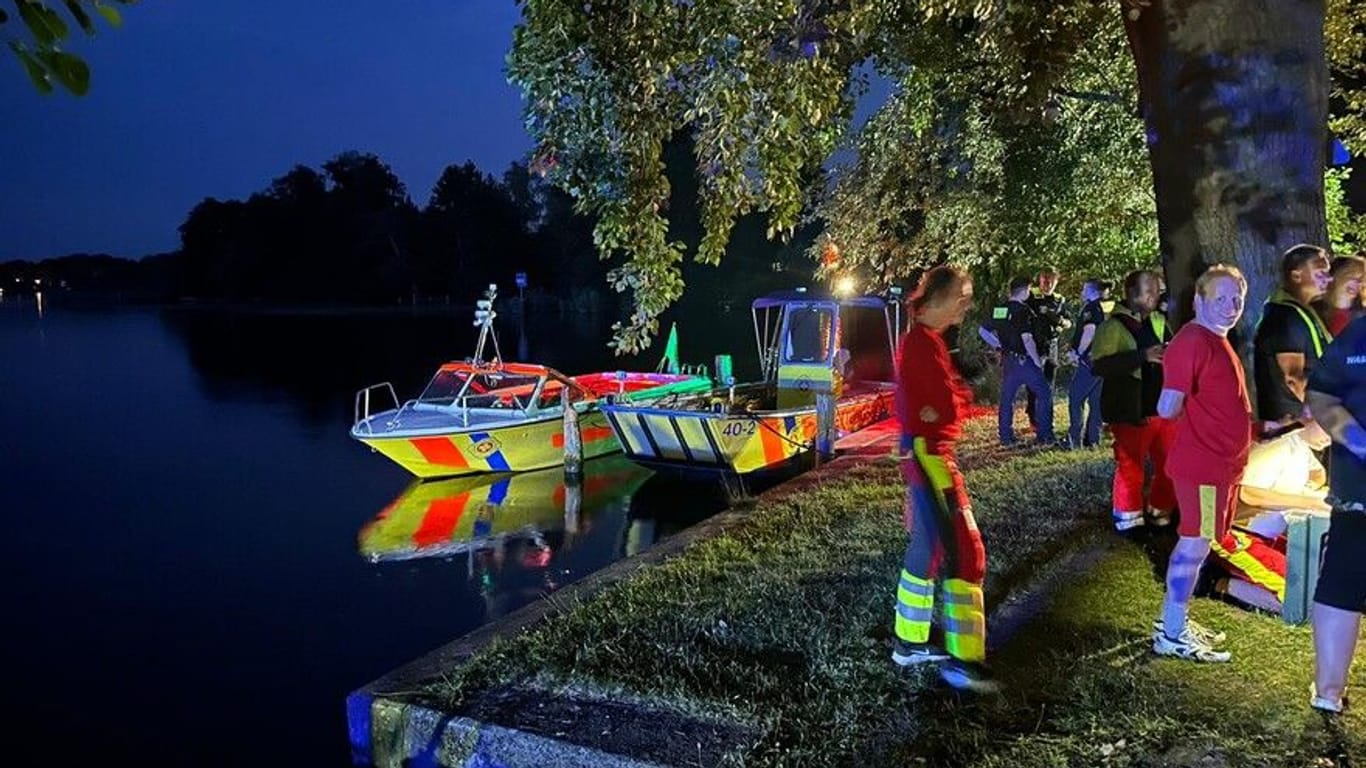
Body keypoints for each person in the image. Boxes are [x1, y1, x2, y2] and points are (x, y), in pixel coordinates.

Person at [891, 265, 996, 693]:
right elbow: (925, 411)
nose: (965, 305)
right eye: (961, 296)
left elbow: (939, 406)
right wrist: (939, 414)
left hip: (931, 456)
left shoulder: (926, 343)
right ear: (936, 298)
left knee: (931, 546)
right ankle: (964, 659)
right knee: (963, 551)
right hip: (931, 457)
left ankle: (909, 642)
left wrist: (947, 407)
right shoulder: (920, 345)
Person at [1152, 264, 1252, 662]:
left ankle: (1173, 621)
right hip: (1205, 469)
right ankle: (1172, 631)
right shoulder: (1193, 341)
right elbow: (1167, 406)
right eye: (1221, 298)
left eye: (1237, 299)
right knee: (1194, 545)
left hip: (1221, 467)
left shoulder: (1215, 339)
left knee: (1201, 541)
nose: (1230, 307)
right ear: (1199, 300)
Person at [1305, 314, 1366, 713]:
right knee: (1343, 579)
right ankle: (1329, 692)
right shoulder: (1360, 334)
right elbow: (1322, 395)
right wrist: (1359, 441)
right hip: (1360, 492)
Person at [1092, 269, 1175, 531]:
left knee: (1170, 463)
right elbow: (1100, 366)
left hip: (1163, 407)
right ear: (1131, 293)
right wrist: (1141, 356)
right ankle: (1128, 518)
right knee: (1131, 466)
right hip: (1131, 409)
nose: (1154, 296)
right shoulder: (1112, 327)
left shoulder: (1160, 321)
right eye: (1149, 290)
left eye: (1157, 290)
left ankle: (1161, 508)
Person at [1254, 244, 1334, 441]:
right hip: (1294, 428)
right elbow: (1294, 378)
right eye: (1320, 272)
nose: (1328, 277)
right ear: (1296, 275)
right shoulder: (1285, 317)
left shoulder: (1298, 311)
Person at [980, 276, 1055, 446]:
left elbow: (983, 330)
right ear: (1025, 291)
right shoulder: (1024, 311)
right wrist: (1037, 361)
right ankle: (1045, 435)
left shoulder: (1001, 310)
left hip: (1009, 361)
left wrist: (998, 345)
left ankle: (1006, 436)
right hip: (1025, 361)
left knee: (1007, 399)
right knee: (1044, 393)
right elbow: (1027, 339)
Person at [1066, 278, 1109, 449]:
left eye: (1084, 289)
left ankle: (1074, 439)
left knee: (1075, 397)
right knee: (1095, 400)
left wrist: (1078, 352)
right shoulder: (1106, 307)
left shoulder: (1091, 308)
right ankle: (1093, 439)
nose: (1082, 292)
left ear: (1091, 291)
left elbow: (1089, 331)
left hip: (1090, 360)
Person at [1026, 266, 1069, 433]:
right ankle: (1033, 414)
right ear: (1040, 279)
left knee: (1048, 382)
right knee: (1033, 382)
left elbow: (1068, 321)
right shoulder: (1031, 295)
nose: (1048, 283)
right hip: (1033, 345)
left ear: (1056, 281)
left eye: (1051, 280)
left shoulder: (1059, 300)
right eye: (1045, 279)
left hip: (1051, 344)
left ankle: (1045, 418)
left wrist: (1060, 321)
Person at [1315, 255, 1366, 337]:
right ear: (1333, 276)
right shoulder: (1311, 312)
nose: (1360, 283)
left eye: (1362, 278)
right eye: (1352, 274)